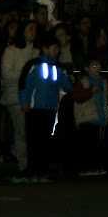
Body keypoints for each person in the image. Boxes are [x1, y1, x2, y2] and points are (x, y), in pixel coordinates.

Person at [18, 33, 74, 178]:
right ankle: (33, 168)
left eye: (57, 48)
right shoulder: (33, 65)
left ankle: (42, 168)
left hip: (50, 108)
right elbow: (24, 85)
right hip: (34, 107)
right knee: (33, 139)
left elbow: (68, 87)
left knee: (45, 138)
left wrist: (67, 77)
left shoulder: (58, 68)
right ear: (45, 49)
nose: (57, 51)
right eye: (54, 48)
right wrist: (24, 102)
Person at [0, 20, 39, 174]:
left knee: (29, 132)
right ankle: (24, 165)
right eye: (30, 29)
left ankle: (29, 161)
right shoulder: (11, 51)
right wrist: (26, 74)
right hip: (15, 97)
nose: (33, 32)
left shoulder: (36, 51)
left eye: (35, 29)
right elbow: (7, 74)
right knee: (21, 131)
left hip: (33, 97)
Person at [72, 57, 108, 175]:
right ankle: (87, 167)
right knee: (88, 144)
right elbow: (78, 98)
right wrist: (91, 91)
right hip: (86, 118)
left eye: (99, 66)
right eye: (94, 66)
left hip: (100, 118)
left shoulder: (103, 81)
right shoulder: (83, 81)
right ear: (86, 68)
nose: (98, 68)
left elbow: (106, 100)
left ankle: (96, 166)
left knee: (98, 144)